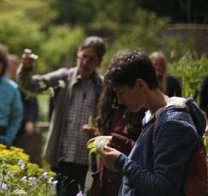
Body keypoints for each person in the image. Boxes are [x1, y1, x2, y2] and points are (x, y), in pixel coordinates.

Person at [100, 50, 206, 195]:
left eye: (121, 93)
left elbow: (163, 187)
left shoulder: (172, 123)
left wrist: (121, 163)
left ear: (140, 85)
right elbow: (148, 161)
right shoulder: (154, 115)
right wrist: (115, 142)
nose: (119, 101)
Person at [17, 36, 106, 196]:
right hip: (63, 157)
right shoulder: (63, 77)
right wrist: (26, 67)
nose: (86, 62)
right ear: (78, 54)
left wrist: (98, 132)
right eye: (84, 56)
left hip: (89, 162)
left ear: (99, 63)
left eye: (92, 59)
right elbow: (30, 85)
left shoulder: (102, 87)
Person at [85, 87, 144, 196]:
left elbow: (143, 151)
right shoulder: (111, 109)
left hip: (125, 183)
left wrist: (114, 140)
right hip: (105, 180)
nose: (120, 99)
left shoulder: (141, 111)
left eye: (121, 92)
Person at [8, 54, 40, 163]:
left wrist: (31, 121)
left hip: (21, 128)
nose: (11, 69)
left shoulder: (24, 85)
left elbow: (33, 104)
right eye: (9, 66)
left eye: (14, 65)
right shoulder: (3, 85)